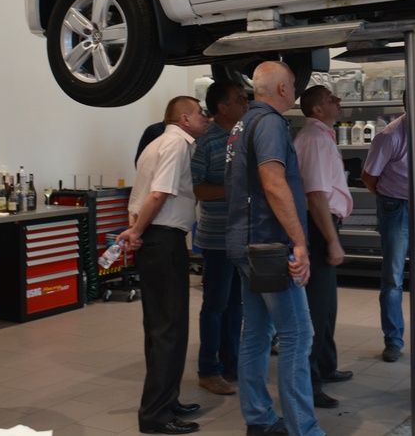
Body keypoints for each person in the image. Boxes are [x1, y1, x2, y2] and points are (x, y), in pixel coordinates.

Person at [225, 61, 322, 436]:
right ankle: (304, 429)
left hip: (245, 242)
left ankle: (260, 419)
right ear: (282, 89)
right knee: (298, 335)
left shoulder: (243, 123)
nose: (295, 90)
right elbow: (273, 181)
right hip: (269, 246)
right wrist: (299, 241)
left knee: (256, 333)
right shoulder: (269, 123)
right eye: (294, 84)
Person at [118, 96, 209, 436]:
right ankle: (156, 415)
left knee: (159, 328)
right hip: (163, 240)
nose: (205, 117)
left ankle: (167, 400)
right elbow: (158, 194)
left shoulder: (155, 143)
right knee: (169, 329)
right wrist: (137, 232)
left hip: (155, 239)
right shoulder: (175, 144)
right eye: (200, 113)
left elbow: (138, 197)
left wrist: (137, 230)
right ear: (184, 119)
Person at [294, 85, 354, 409]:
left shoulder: (321, 136)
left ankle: (326, 366)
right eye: (331, 98)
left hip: (323, 224)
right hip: (318, 226)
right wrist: (331, 240)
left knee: (327, 306)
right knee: (316, 310)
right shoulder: (315, 139)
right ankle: (310, 382)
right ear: (317, 109)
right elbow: (316, 195)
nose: (338, 100)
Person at [192, 81, 248, 396]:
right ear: (222, 108)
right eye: (239, 98)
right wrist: (234, 190)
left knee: (236, 304)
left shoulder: (243, 136)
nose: (245, 101)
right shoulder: (206, 143)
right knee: (215, 305)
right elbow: (197, 188)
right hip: (217, 238)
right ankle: (208, 370)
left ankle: (231, 363)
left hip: (243, 235)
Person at [360, 98, 409, 363]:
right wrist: (386, 199)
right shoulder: (389, 136)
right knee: (393, 277)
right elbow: (369, 177)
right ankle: (393, 340)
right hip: (396, 205)